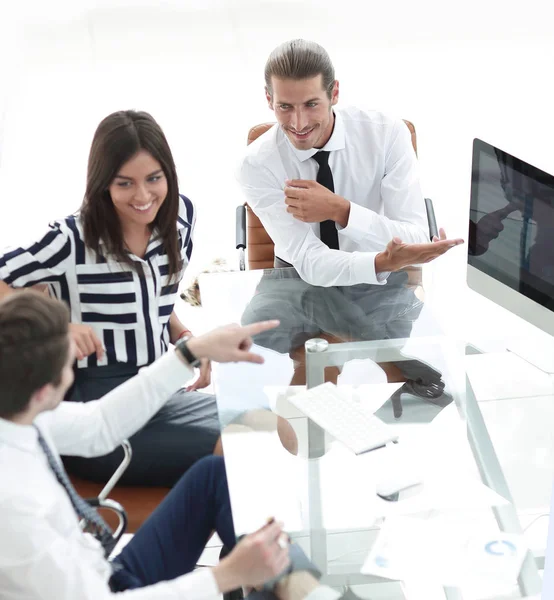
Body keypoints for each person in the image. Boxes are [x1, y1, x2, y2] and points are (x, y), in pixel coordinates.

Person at [0, 291, 340, 599]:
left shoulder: (18, 414)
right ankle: (297, 587)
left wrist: (192, 351)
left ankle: (292, 584)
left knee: (216, 475)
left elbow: (99, 423)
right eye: (68, 363)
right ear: (44, 392)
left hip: (97, 572)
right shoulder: (15, 508)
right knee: (275, 588)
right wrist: (225, 576)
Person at [0, 110, 220, 486]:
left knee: (262, 419)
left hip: (158, 387)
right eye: (125, 183)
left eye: (154, 178)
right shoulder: (71, 239)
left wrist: (183, 336)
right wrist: (57, 327)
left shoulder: (181, 217)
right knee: (235, 445)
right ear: (104, 183)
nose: (143, 195)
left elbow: (154, 298)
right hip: (96, 412)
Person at [236, 39, 463, 402]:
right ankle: (388, 361)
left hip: (379, 286)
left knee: (318, 355)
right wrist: (383, 260)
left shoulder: (385, 133)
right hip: (298, 282)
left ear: (335, 92)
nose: (298, 123)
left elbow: (414, 234)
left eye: (311, 104)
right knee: (310, 336)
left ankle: (357, 375)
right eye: (284, 107)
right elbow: (309, 262)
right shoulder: (258, 164)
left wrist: (342, 211)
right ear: (268, 100)